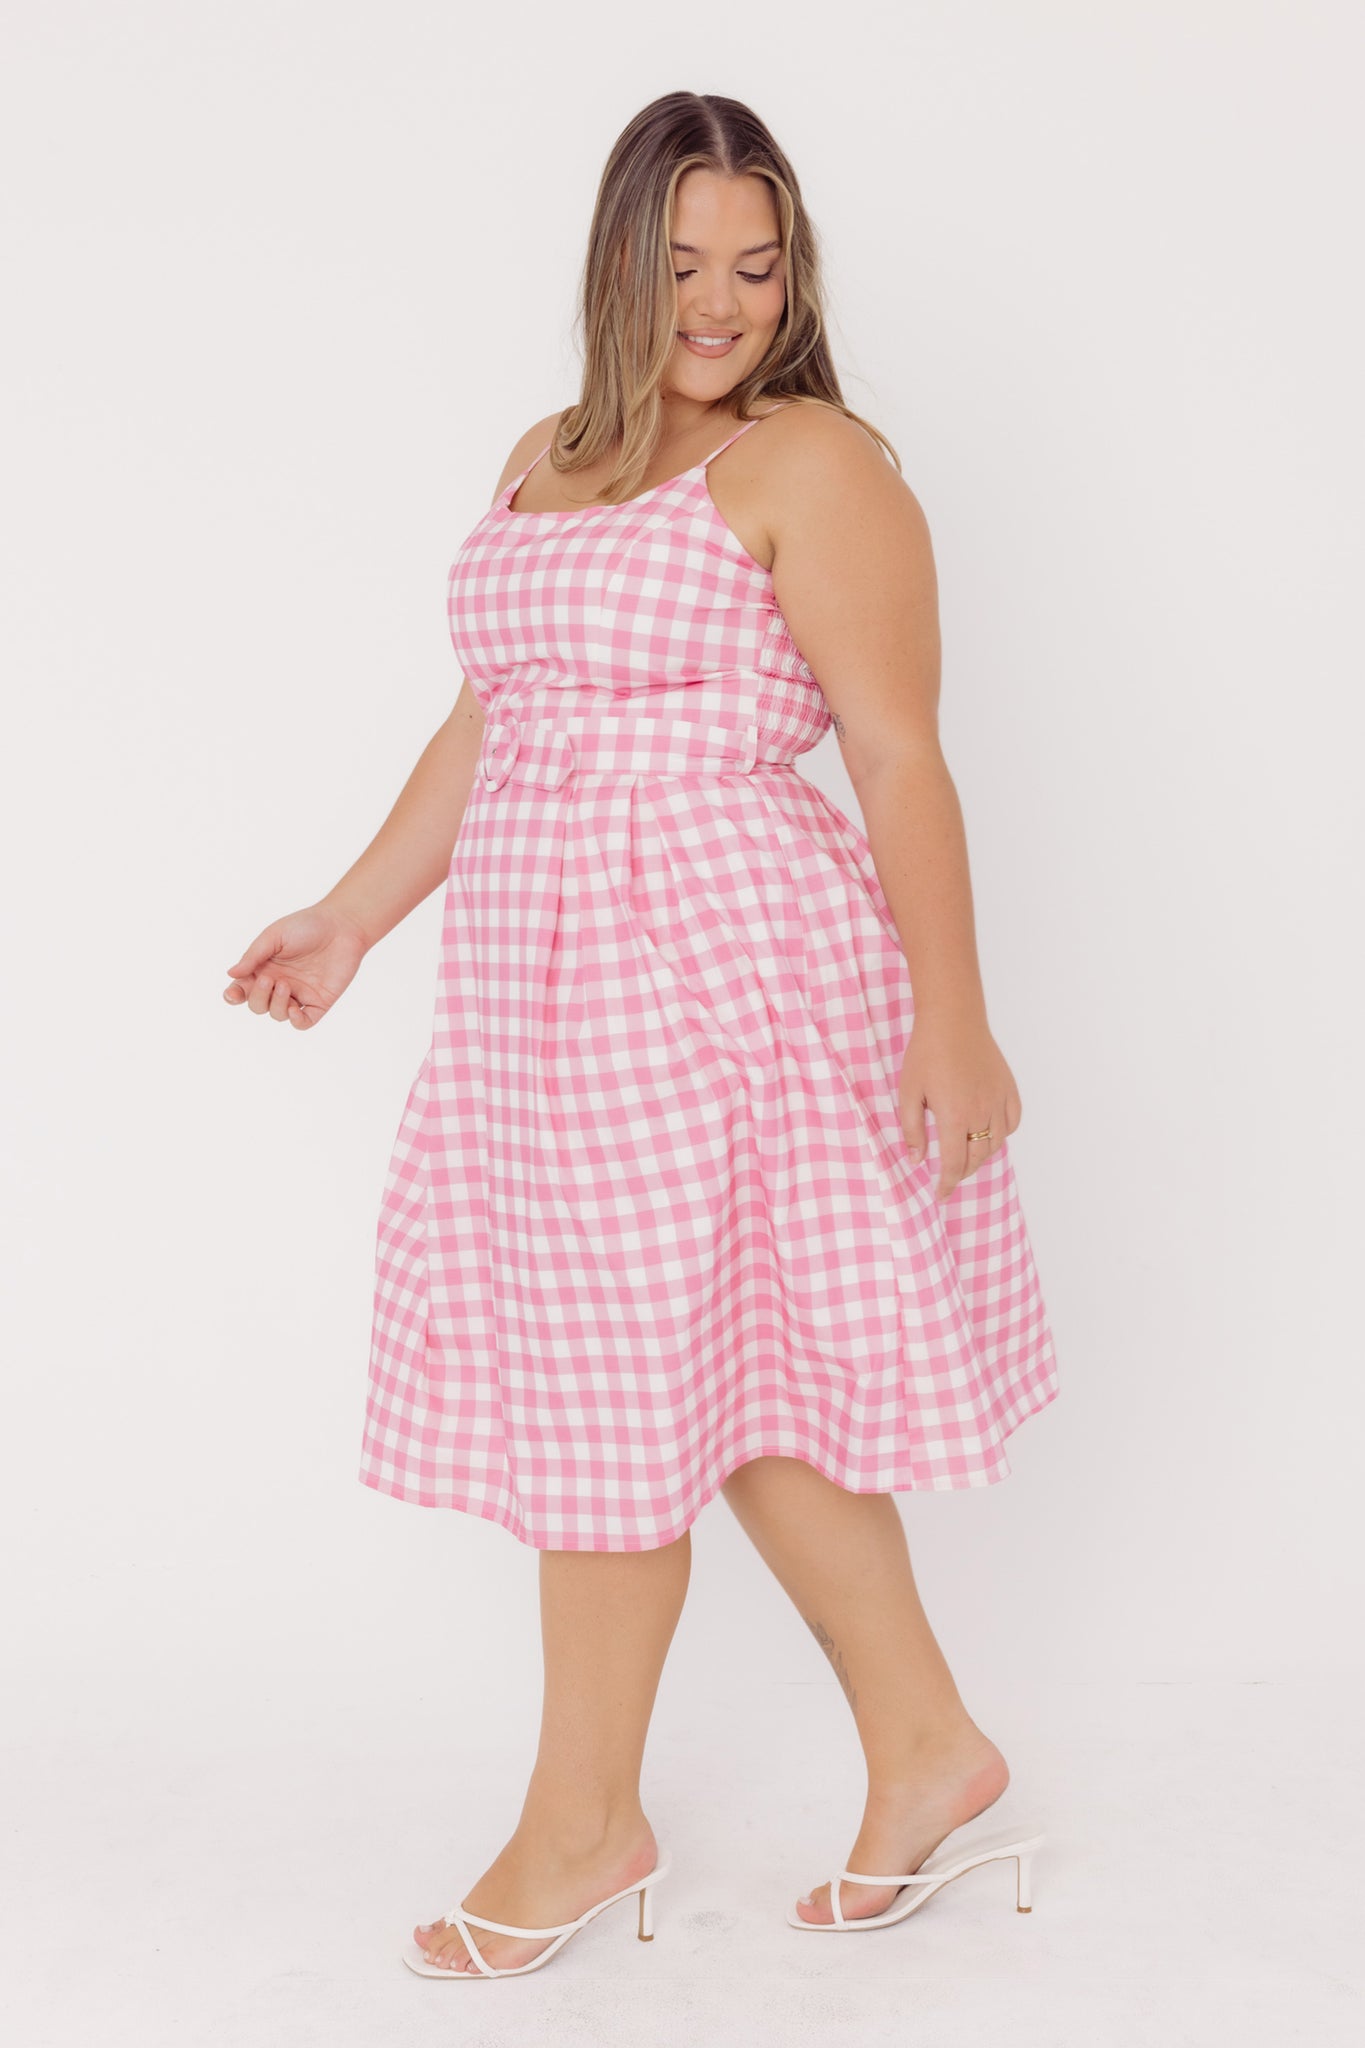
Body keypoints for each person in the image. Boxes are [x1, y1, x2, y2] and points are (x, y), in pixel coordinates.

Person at [224, 91, 1060, 1980]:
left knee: (617, 1399)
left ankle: (583, 1829)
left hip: (719, 984)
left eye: (755, 264)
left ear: (794, 273)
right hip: (543, 1005)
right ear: (618, 263)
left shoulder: (811, 463)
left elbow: (897, 749)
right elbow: (492, 723)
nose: (721, 302)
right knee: (718, 1391)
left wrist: (958, 1021)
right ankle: (926, 1748)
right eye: (682, 262)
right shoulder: (550, 454)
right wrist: (353, 916)